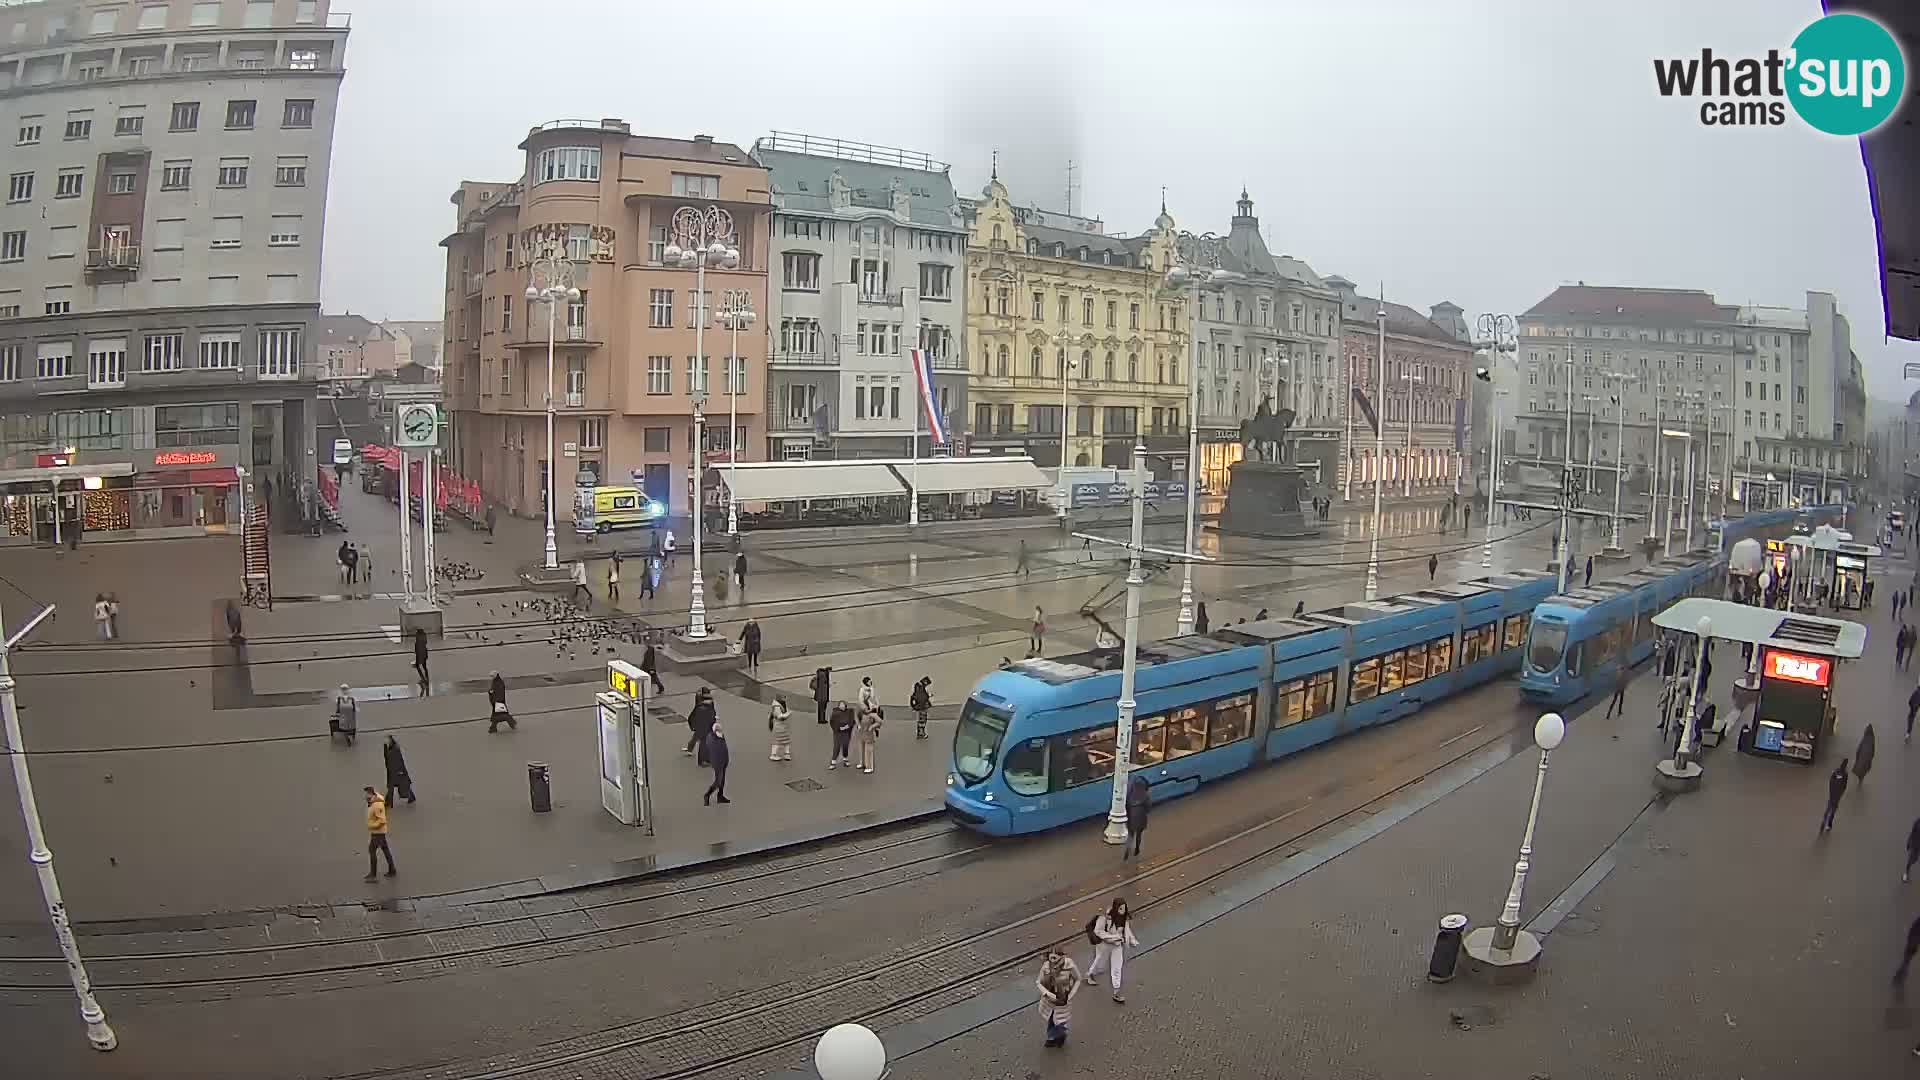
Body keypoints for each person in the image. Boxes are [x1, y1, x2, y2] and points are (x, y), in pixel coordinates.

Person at [1084, 897, 1141, 1003]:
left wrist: (1132, 940)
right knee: (1099, 961)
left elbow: (1126, 930)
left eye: (1124, 908)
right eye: (1120, 909)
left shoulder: (1124, 918)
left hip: (1117, 946)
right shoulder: (1105, 918)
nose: (1122, 911)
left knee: (1117, 967)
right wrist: (1114, 937)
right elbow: (1098, 932)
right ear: (1115, 908)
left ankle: (1116, 991)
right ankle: (1090, 974)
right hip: (1104, 945)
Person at [1037, 947, 1081, 1048]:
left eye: (1056, 957)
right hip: (1049, 1001)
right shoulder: (1046, 966)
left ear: (1062, 956)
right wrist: (1046, 993)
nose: (1053, 960)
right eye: (1051, 957)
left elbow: (1078, 979)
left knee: (1060, 1021)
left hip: (1063, 1001)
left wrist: (1070, 995)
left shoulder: (1069, 965)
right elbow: (1038, 982)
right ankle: (1051, 1037)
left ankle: (1061, 1035)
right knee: (1051, 1019)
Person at [363, 787, 396, 882]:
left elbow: (382, 820)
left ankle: (373, 875)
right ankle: (392, 869)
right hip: (378, 832)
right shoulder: (373, 801)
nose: (365, 796)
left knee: (372, 850)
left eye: (367, 794)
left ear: (371, 794)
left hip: (378, 832)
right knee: (385, 850)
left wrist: (372, 826)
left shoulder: (377, 805)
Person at [703, 720, 731, 804]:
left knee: (722, 780)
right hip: (718, 762)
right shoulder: (713, 739)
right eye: (718, 730)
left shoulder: (719, 736)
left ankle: (720, 796)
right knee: (718, 781)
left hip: (723, 761)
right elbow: (716, 750)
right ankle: (707, 794)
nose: (720, 731)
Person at [686, 687, 717, 761]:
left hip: (705, 724)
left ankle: (692, 750)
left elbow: (712, 711)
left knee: (701, 739)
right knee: (701, 740)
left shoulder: (707, 703)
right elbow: (694, 714)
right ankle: (702, 757)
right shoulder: (700, 704)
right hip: (702, 724)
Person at [383, 735, 415, 807]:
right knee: (392, 787)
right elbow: (387, 760)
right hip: (392, 772)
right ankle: (388, 801)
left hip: (397, 772)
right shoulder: (390, 749)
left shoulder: (395, 750)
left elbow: (399, 762)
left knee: (403, 786)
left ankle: (411, 796)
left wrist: (401, 771)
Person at [1124, 774, 1149, 859]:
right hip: (1141, 818)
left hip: (1131, 818)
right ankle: (1137, 849)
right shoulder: (1145, 795)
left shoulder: (1130, 796)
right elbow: (1148, 807)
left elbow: (1127, 805)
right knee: (1139, 835)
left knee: (1131, 835)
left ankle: (1127, 851)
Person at [1820, 758, 1849, 832]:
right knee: (1833, 809)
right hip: (1837, 795)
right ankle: (1829, 824)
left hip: (1832, 794)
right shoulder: (1845, 774)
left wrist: (1831, 791)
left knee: (1829, 808)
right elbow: (1844, 786)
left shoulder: (1836, 771)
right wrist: (1840, 793)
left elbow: (1831, 781)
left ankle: (1824, 822)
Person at [828, 701, 856, 769]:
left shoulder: (849, 712)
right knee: (837, 746)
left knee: (845, 745)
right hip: (838, 732)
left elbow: (852, 722)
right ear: (839, 706)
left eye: (843, 705)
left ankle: (845, 758)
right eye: (841, 705)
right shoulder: (835, 713)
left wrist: (847, 727)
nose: (842, 706)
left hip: (846, 732)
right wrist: (837, 729)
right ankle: (833, 762)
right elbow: (832, 722)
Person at [856, 701, 882, 774]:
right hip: (861, 733)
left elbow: (880, 722)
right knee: (861, 748)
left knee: (868, 750)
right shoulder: (860, 713)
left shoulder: (872, 714)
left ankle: (869, 766)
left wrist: (872, 727)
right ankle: (862, 762)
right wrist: (858, 725)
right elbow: (857, 719)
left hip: (869, 734)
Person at [768, 695, 792, 761]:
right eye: (784, 697)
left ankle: (787, 753)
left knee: (786, 740)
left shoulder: (782, 704)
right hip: (778, 726)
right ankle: (773, 755)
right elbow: (779, 716)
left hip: (783, 726)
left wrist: (787, 712)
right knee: (777, 741)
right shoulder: (777, 706)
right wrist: (788, 714)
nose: (786, 698)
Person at [1906, 816, 1920, 884]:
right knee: (1911, 860)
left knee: (1914, 859)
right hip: (1915, 845)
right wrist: (1909, 842)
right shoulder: (1917, 822)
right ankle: (1906, 875)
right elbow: (1912, 832)